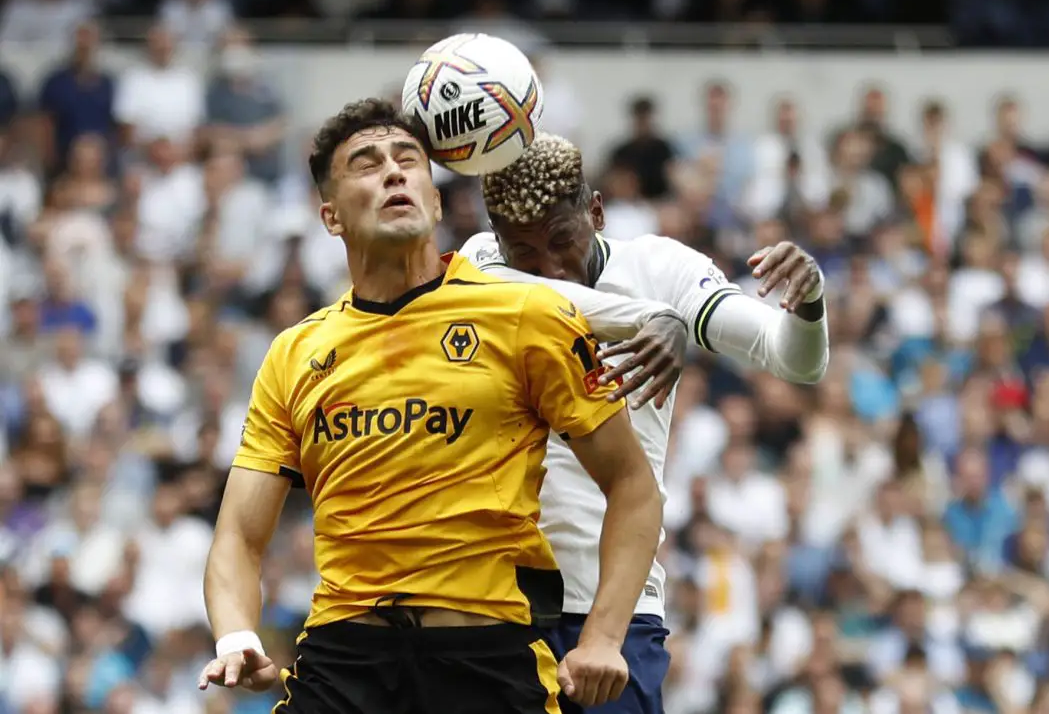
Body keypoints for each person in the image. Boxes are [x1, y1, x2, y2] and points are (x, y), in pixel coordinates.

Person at [198, 99, 668, 713]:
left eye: (408, 160)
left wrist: (604, 637)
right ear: (330, 215)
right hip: (344, 663)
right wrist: (237, 633)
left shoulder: (527, 314)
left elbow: (635, 485)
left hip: (488, 661)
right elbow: (238, 532)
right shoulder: (295, 353)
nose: (393, 172)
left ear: (438, 200)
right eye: (366, 164)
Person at [462, 132, 830, 714]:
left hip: (620, 610)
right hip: (498, 608)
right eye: (526, 254)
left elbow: (794, 358)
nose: (551, 266)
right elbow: (533, 295)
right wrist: (649, 321)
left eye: (563, 240)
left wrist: (809, 299)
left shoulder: (662, 268)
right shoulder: (481, 263)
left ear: (598, 212)